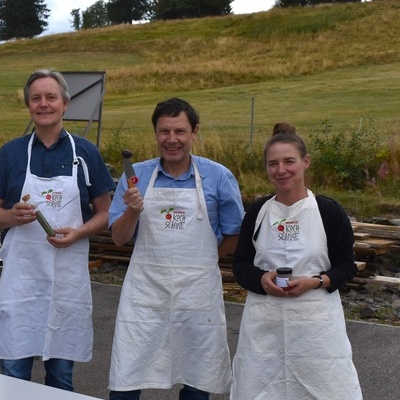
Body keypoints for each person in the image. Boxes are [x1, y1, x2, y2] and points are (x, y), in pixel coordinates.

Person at [0, 68, 115, 392]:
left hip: (66, 285)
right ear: (29, 105)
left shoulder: (85, 154)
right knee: (14, 377)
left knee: (60, 381)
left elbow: (106, 213)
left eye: (51, 97)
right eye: (36, 98)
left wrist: (79, 233)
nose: (44, 104)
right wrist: (12, 216)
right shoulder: (11, 153)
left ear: (64, 104)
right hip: (21, 286)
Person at [108, 98, 244, 400]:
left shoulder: (218, 177)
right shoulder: (136, 177)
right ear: (155, 133)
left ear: (194, 132)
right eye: (164, 131)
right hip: (145, 293)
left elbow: (235, 233)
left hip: (197, 293)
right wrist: (132, 211)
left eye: (180, 131)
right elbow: (118, 238)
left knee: (198, 376)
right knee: (127, 373)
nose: (172, 140)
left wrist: (202, 260)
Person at [231, 123, 362, 399]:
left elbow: (346, 265)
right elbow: (241, 264)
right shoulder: (257, 212)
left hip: (317, 333)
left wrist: (316, 281)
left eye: (289, 161)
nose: (281, 170)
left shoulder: (328, 211)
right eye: (273, 163)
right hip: (264, 329)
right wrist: (260, 279)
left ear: (305, 162)